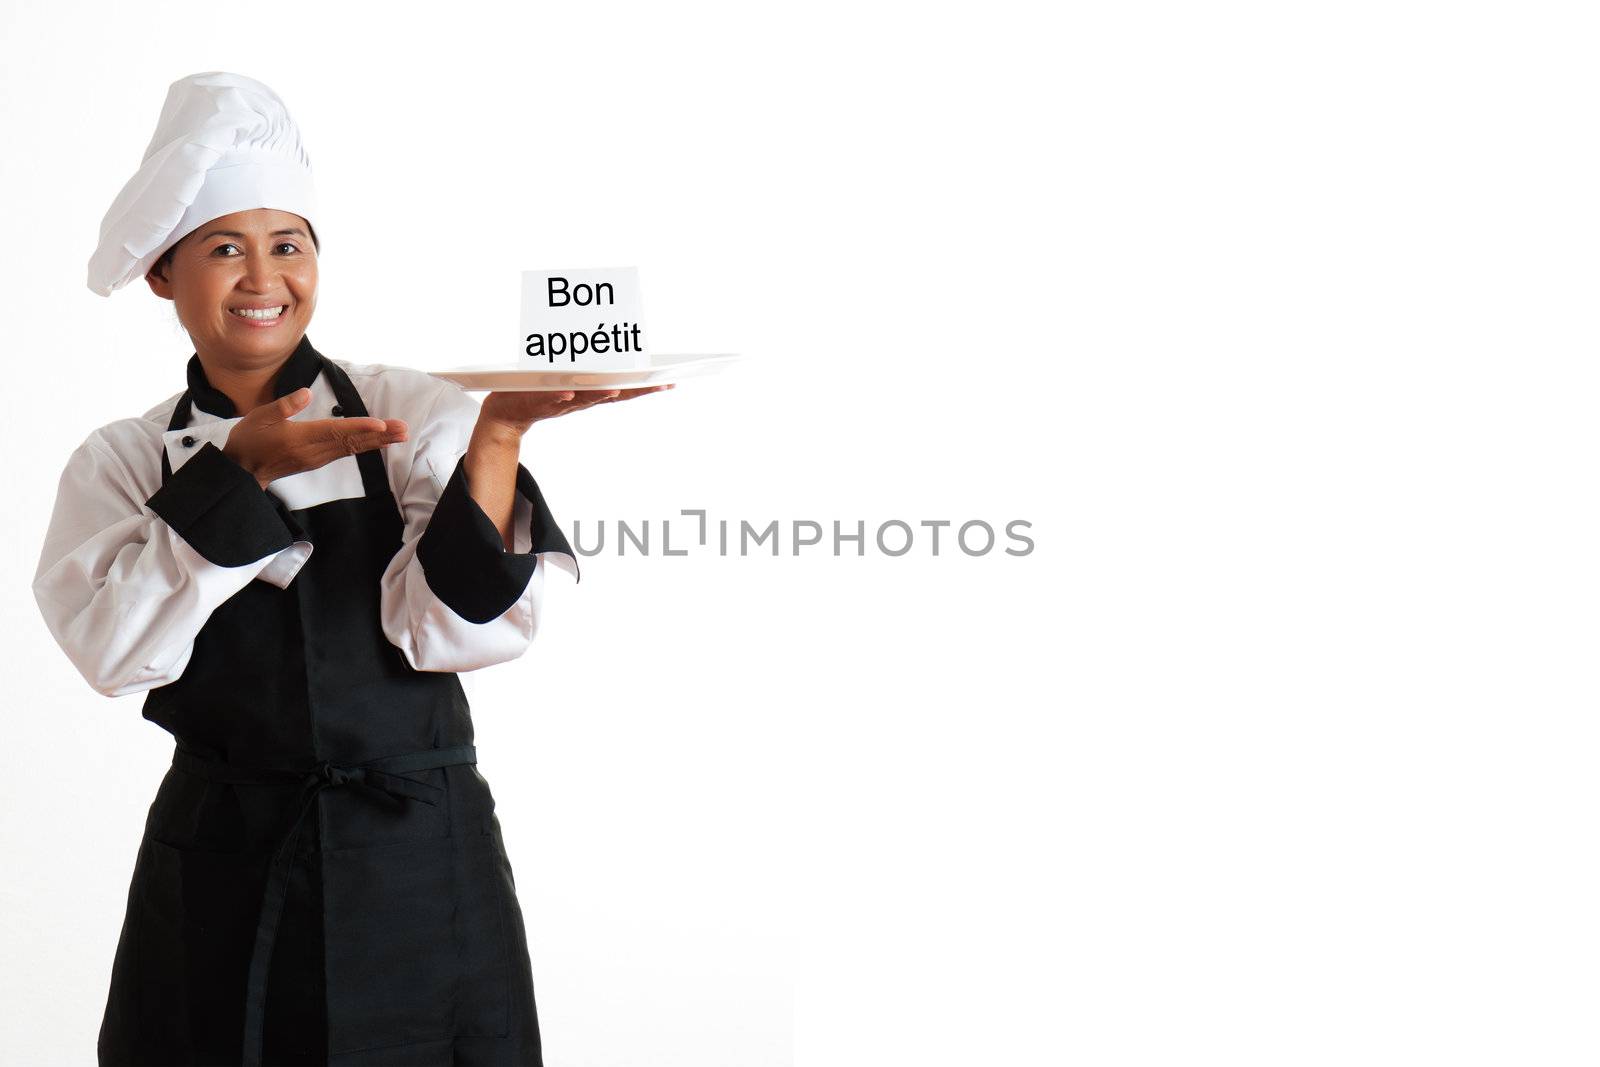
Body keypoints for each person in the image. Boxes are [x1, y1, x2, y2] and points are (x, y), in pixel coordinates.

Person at [33, 71, 664, 1066]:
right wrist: (234, 479)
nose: (261, 276)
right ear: (163, 274)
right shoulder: (123, 459)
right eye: (224, 247)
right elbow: (114, 652)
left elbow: (450, 631)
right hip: (221, 860)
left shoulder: (412, 409)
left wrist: (497, 436)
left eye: (287, 244)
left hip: (418, 854)